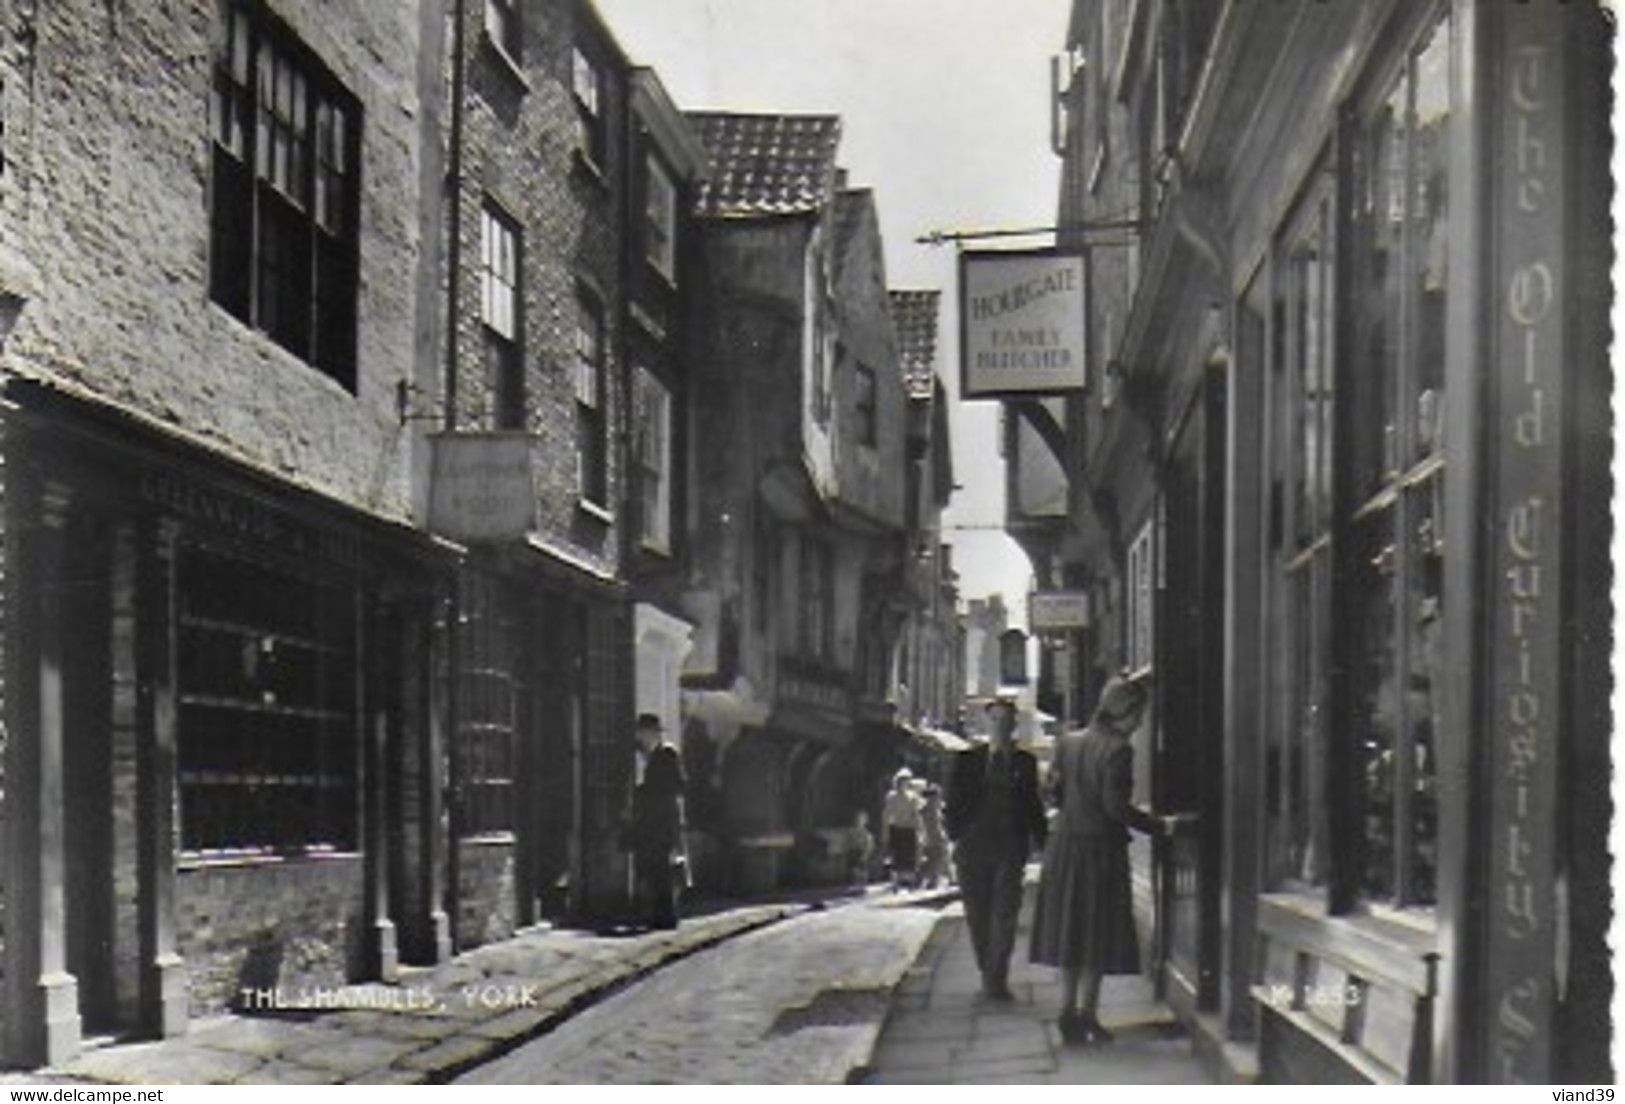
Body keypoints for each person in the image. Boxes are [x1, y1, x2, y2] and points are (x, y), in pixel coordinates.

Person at [1029, 672, 1182, 1044]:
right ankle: (1088, 1015)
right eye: (1138, 714)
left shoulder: (1069, 742)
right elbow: (1117, 809)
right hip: (1099, 851)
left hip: (1064, 847)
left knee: (1071, 932)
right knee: (1095, 933)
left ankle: (1067, 1010)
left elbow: (1054, 794)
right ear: (1123, 712)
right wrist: (1161, 825)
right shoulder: (1118, 750)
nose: (1141, 722)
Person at [946, 695, 1047, 1000]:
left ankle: (996, 978)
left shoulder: (1025, 762)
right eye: (996, 721)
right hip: (973, 846)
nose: (1001, 727)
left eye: (1007, 722)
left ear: (1014, 725)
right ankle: (988, 971)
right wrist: (957, 834)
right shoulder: (967, 760)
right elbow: (953, 803)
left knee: (1005, 913)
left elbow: (1033, 805)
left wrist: (1042, 842)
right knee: (978, 914)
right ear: (986, 723)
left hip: (1010, 846)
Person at [627, 713, 686, 930]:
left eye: (642, 733)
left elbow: (676, 785)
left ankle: (666, 916)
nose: (640, 738)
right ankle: (660, 915)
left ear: (650, 733)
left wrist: (643, 792)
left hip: (662, 820)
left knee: (661, 868)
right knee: (655, 868)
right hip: (655, 820)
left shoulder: (666, 754)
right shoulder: (653, 755)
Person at [882, 769, 923, 889]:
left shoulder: (912, 796)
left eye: (906, 781)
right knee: (897, 854)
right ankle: (896, 881)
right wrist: (885, 831)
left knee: (909, 854)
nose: (904, 784)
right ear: (897, 782)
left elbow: (916, 813)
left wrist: (919, 827)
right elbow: (887, 813)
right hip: (897, 828)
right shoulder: (891, 796)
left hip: (909, 828)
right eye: (901, 781)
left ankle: (909, 881)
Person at [917, 783, 949, 889]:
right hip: (933, 836)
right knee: (936, 859)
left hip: (933, 836)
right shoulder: (930, 809)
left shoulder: (933, 808)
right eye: (936, 795)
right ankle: (929, 880)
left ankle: (929, 880)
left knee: (934, 859)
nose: (938, 798)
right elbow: (932, 824)